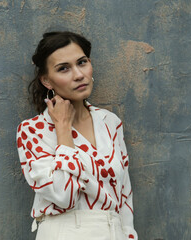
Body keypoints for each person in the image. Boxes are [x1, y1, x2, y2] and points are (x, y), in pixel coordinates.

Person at [16, 31, 138, 240]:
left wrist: (129, 235)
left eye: (82, 63)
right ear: (47, 80)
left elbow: (124, 197)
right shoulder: (33, 130)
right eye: (64, 68)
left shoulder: (110, 122)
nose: (78, 74)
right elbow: (64, 196)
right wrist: (63, 128)